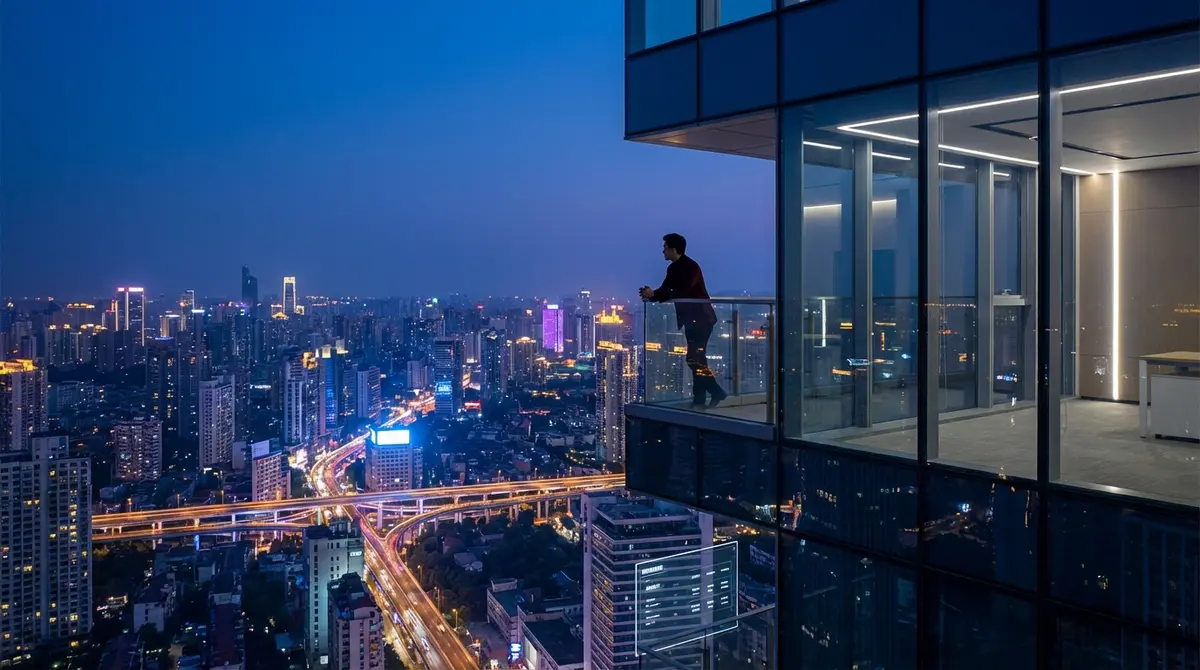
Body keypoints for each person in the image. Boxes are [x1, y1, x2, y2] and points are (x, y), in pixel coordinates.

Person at [640, 233, 727, 408]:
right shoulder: (673, 268)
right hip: (691, 319)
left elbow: (682, 290)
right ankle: (699, 399)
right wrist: (652, 295)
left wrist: (655, 294)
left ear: (674, 249)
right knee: (697, 359)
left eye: (665, 247)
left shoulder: (691, 267)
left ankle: (716, 392)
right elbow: (666, 290)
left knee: (693, 359)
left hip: (702, 318)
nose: (663, 251)